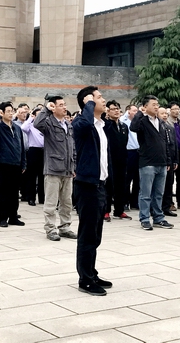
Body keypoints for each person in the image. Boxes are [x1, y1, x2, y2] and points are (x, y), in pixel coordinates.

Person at [72, 86, 113, 296]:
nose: (103, 100)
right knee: (87, 236)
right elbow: (84, 124)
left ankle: (92, 272)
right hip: (87, 186)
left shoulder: (101, 125)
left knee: (96, 235)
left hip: (100, 185)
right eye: (98, 97)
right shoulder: (81, 122)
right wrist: (88, 102)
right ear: (88, 101)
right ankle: (85, 280)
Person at [34, 96, 77, 242]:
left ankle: (65, 227)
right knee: (51, 202)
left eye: (65, 105)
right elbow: (37, 124)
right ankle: (50, 229)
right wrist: (46, 109)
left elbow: (72, 147)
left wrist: (74, 165)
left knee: (66, 202)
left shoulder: (68, 125)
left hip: (68, 169)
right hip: (53, 168)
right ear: (54, 107)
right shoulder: (49, 123)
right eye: (61, 105)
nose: (64, 107)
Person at [130, 95, 174, 231]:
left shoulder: (160, 122)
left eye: (157, 104)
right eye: (153, 104)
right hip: (147, 163)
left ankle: (158, 217)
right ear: (145, 106)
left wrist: (168, 160)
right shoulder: (142, 121)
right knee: (145, 194)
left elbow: (165, 143)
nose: (156, 107)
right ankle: (144, 218)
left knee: (158, 193)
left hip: (161, 162)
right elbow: (133, 127)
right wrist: (139, 113)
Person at [0, 102, 27, 227]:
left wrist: (23, 163)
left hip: (16, 164)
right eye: (8, 111)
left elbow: (21, 147)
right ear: (2, 113)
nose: (10, 113)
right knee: (3, 192)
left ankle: (13, 216)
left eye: (12, 111)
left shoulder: (17, 128)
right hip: (3, 163)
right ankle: (3, 217)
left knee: (14, 193)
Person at [103, 100, 131, 220]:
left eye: (118, 109)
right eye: (113, 109)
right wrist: (105, 116)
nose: (116, 111)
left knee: (122, 185)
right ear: (108, 111)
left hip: (122, 159)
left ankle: (119, 210)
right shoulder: (106, 125)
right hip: (109, 159)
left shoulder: (124, 126)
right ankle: (106, 210)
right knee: (109, 185)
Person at [21, 108, 45, 206]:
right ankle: (31, 198)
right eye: (38, 115)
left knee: (43, 176)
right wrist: (30, 117)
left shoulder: (45, 126)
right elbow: (23, 127)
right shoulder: (30, 126)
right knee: (32, 176)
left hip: (44, 151)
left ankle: (42, 198)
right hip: (33, 151)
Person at [159, 107, 179, 218]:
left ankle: (166, 207)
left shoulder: (170, 128)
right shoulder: (156, 128)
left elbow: (174, 145)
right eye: (162, 113)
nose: (165, 115)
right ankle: (156, 207)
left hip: (170, 160)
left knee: (169, 184)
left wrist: (175, 160)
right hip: (161, 160)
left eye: (166, 113)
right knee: (159, 186)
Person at [120, 104, 140, 211]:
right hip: (129, 152)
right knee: (127, 178)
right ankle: (125, 201)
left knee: (138, 178)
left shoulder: (139, 122)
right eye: (134, 111)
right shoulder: (124, 121)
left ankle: (135, 202)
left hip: (139, 151)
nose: (136, 113)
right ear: (128, 111)